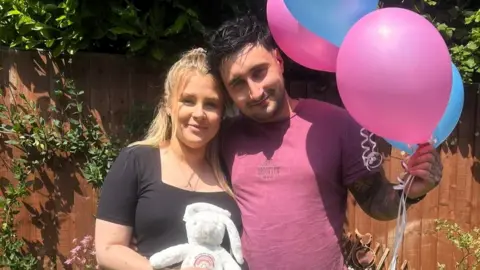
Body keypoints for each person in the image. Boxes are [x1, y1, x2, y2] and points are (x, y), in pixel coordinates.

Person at [205, 15, 443, 270]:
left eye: (259, 72)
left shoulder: (336, 124)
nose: (255, 92)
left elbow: (375, 201)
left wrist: (412, 192)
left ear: (278, 61)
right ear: (227, 92)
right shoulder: (223, 138)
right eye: (238, 84)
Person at [94, 48, 244, 270]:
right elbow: (108, 249)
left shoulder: (231, 168)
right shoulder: (135, 161)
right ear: (168, 105)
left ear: (222, 113)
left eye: (211, 104)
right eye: (188, 100)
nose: (199, 113)